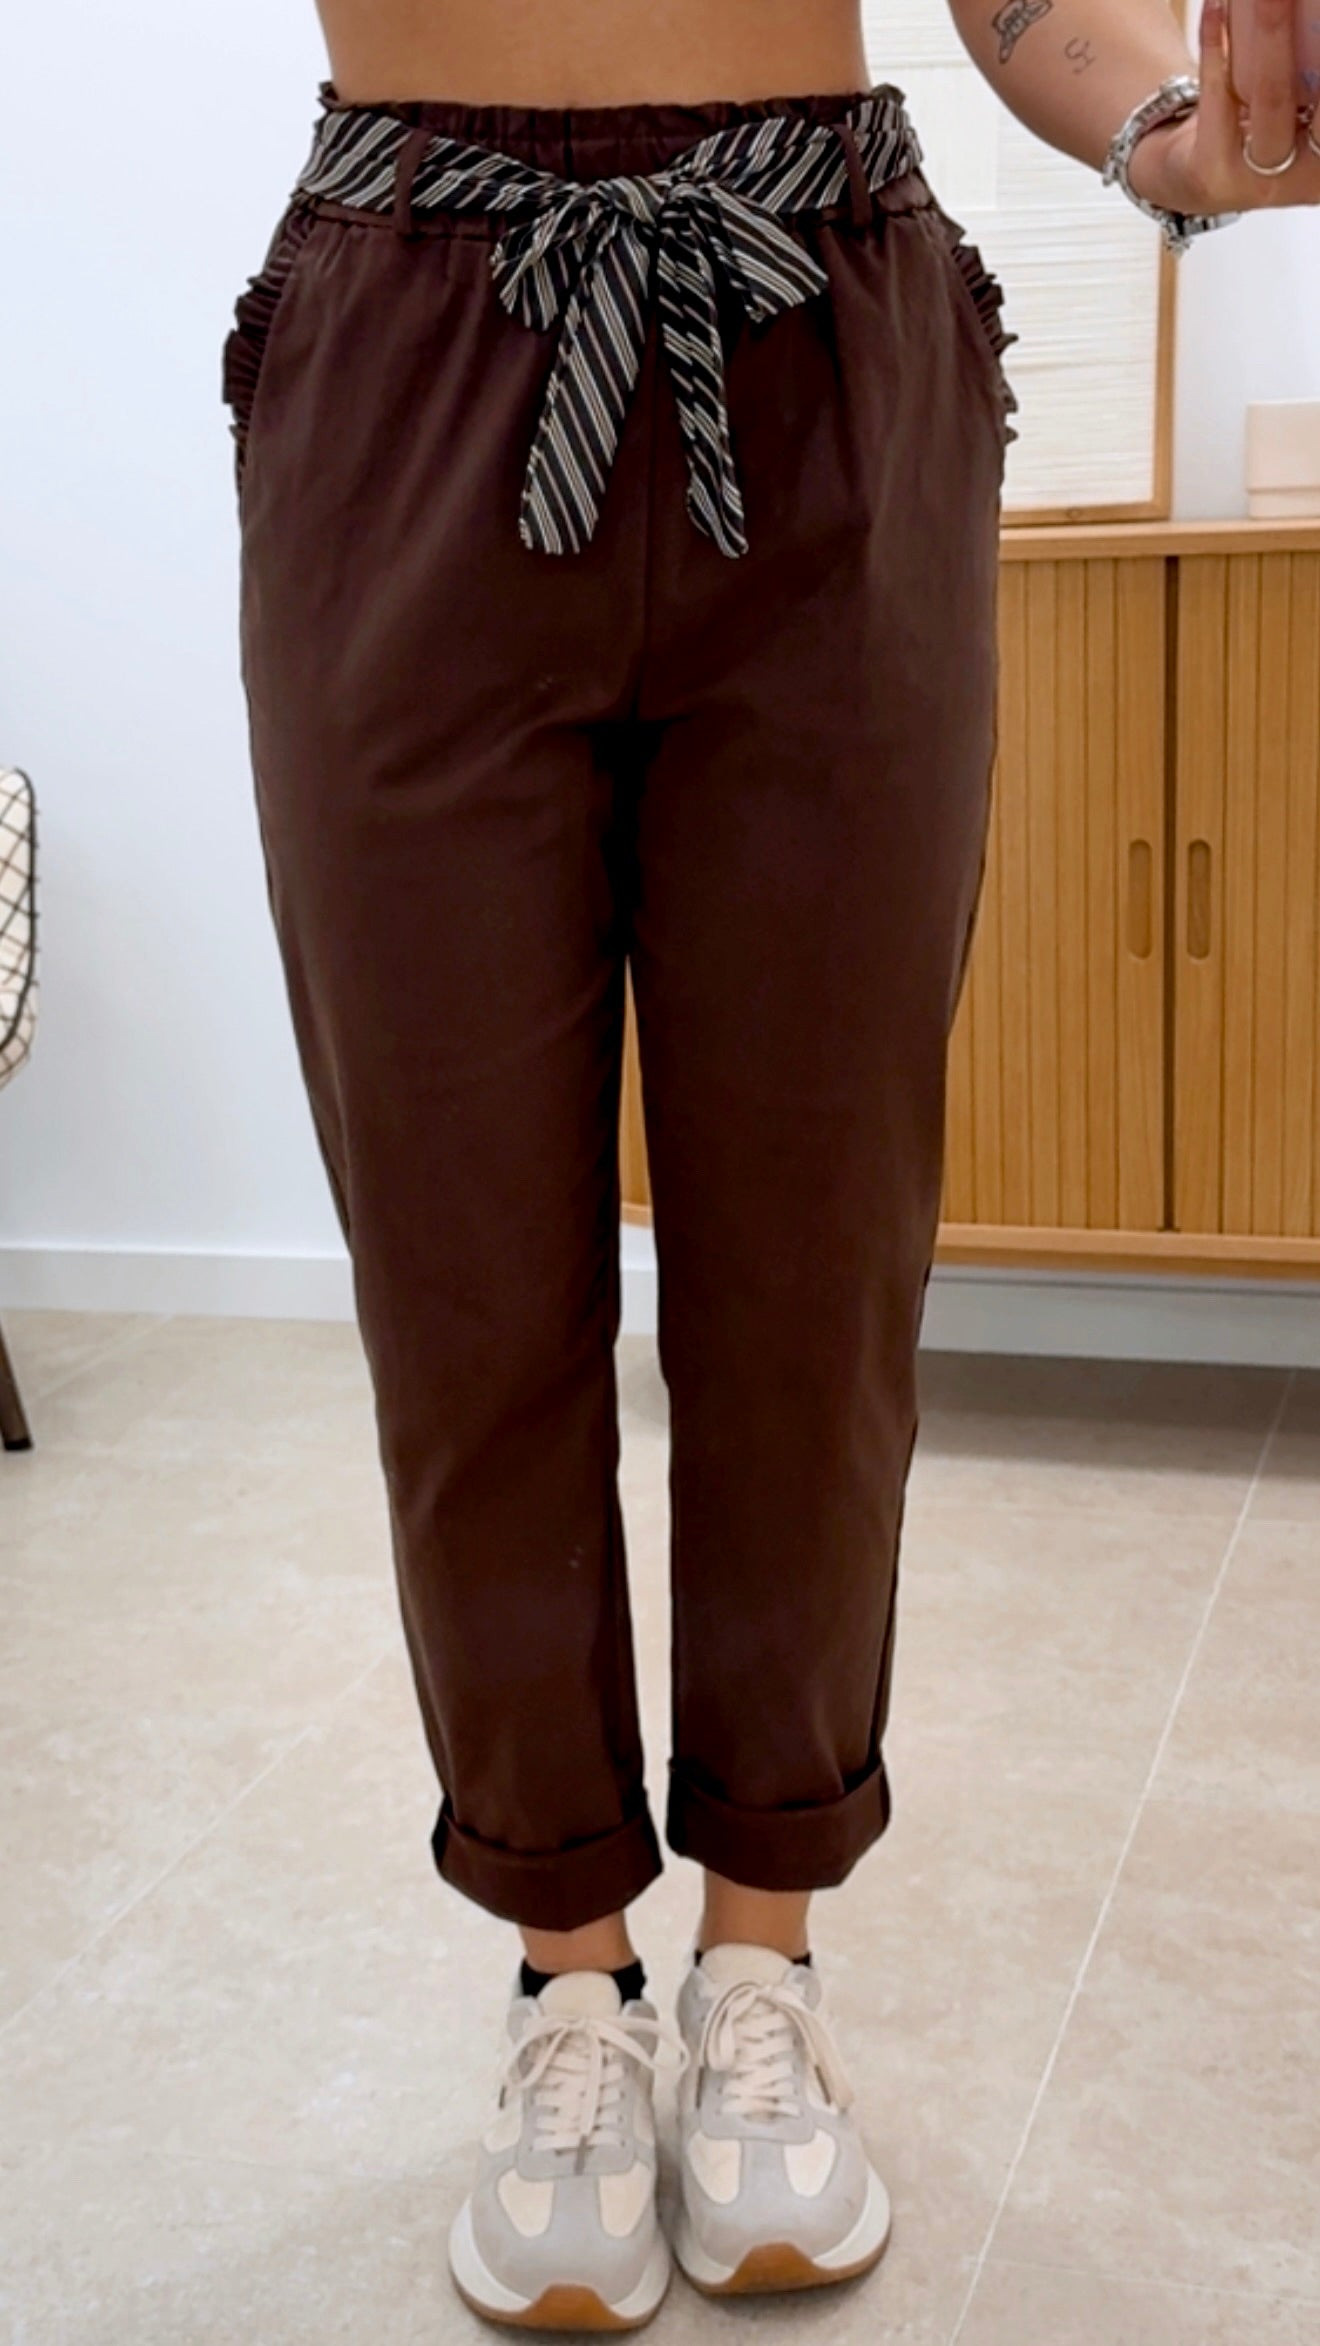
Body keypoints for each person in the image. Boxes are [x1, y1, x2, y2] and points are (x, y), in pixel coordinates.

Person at [223, 0, 1318, 2328]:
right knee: (462, 1276)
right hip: (413, 336)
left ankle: (759, 1968)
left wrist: (1165, 129)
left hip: (819, 333)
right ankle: (567, 1983)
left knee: (813, 1273)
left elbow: (1020, 5)